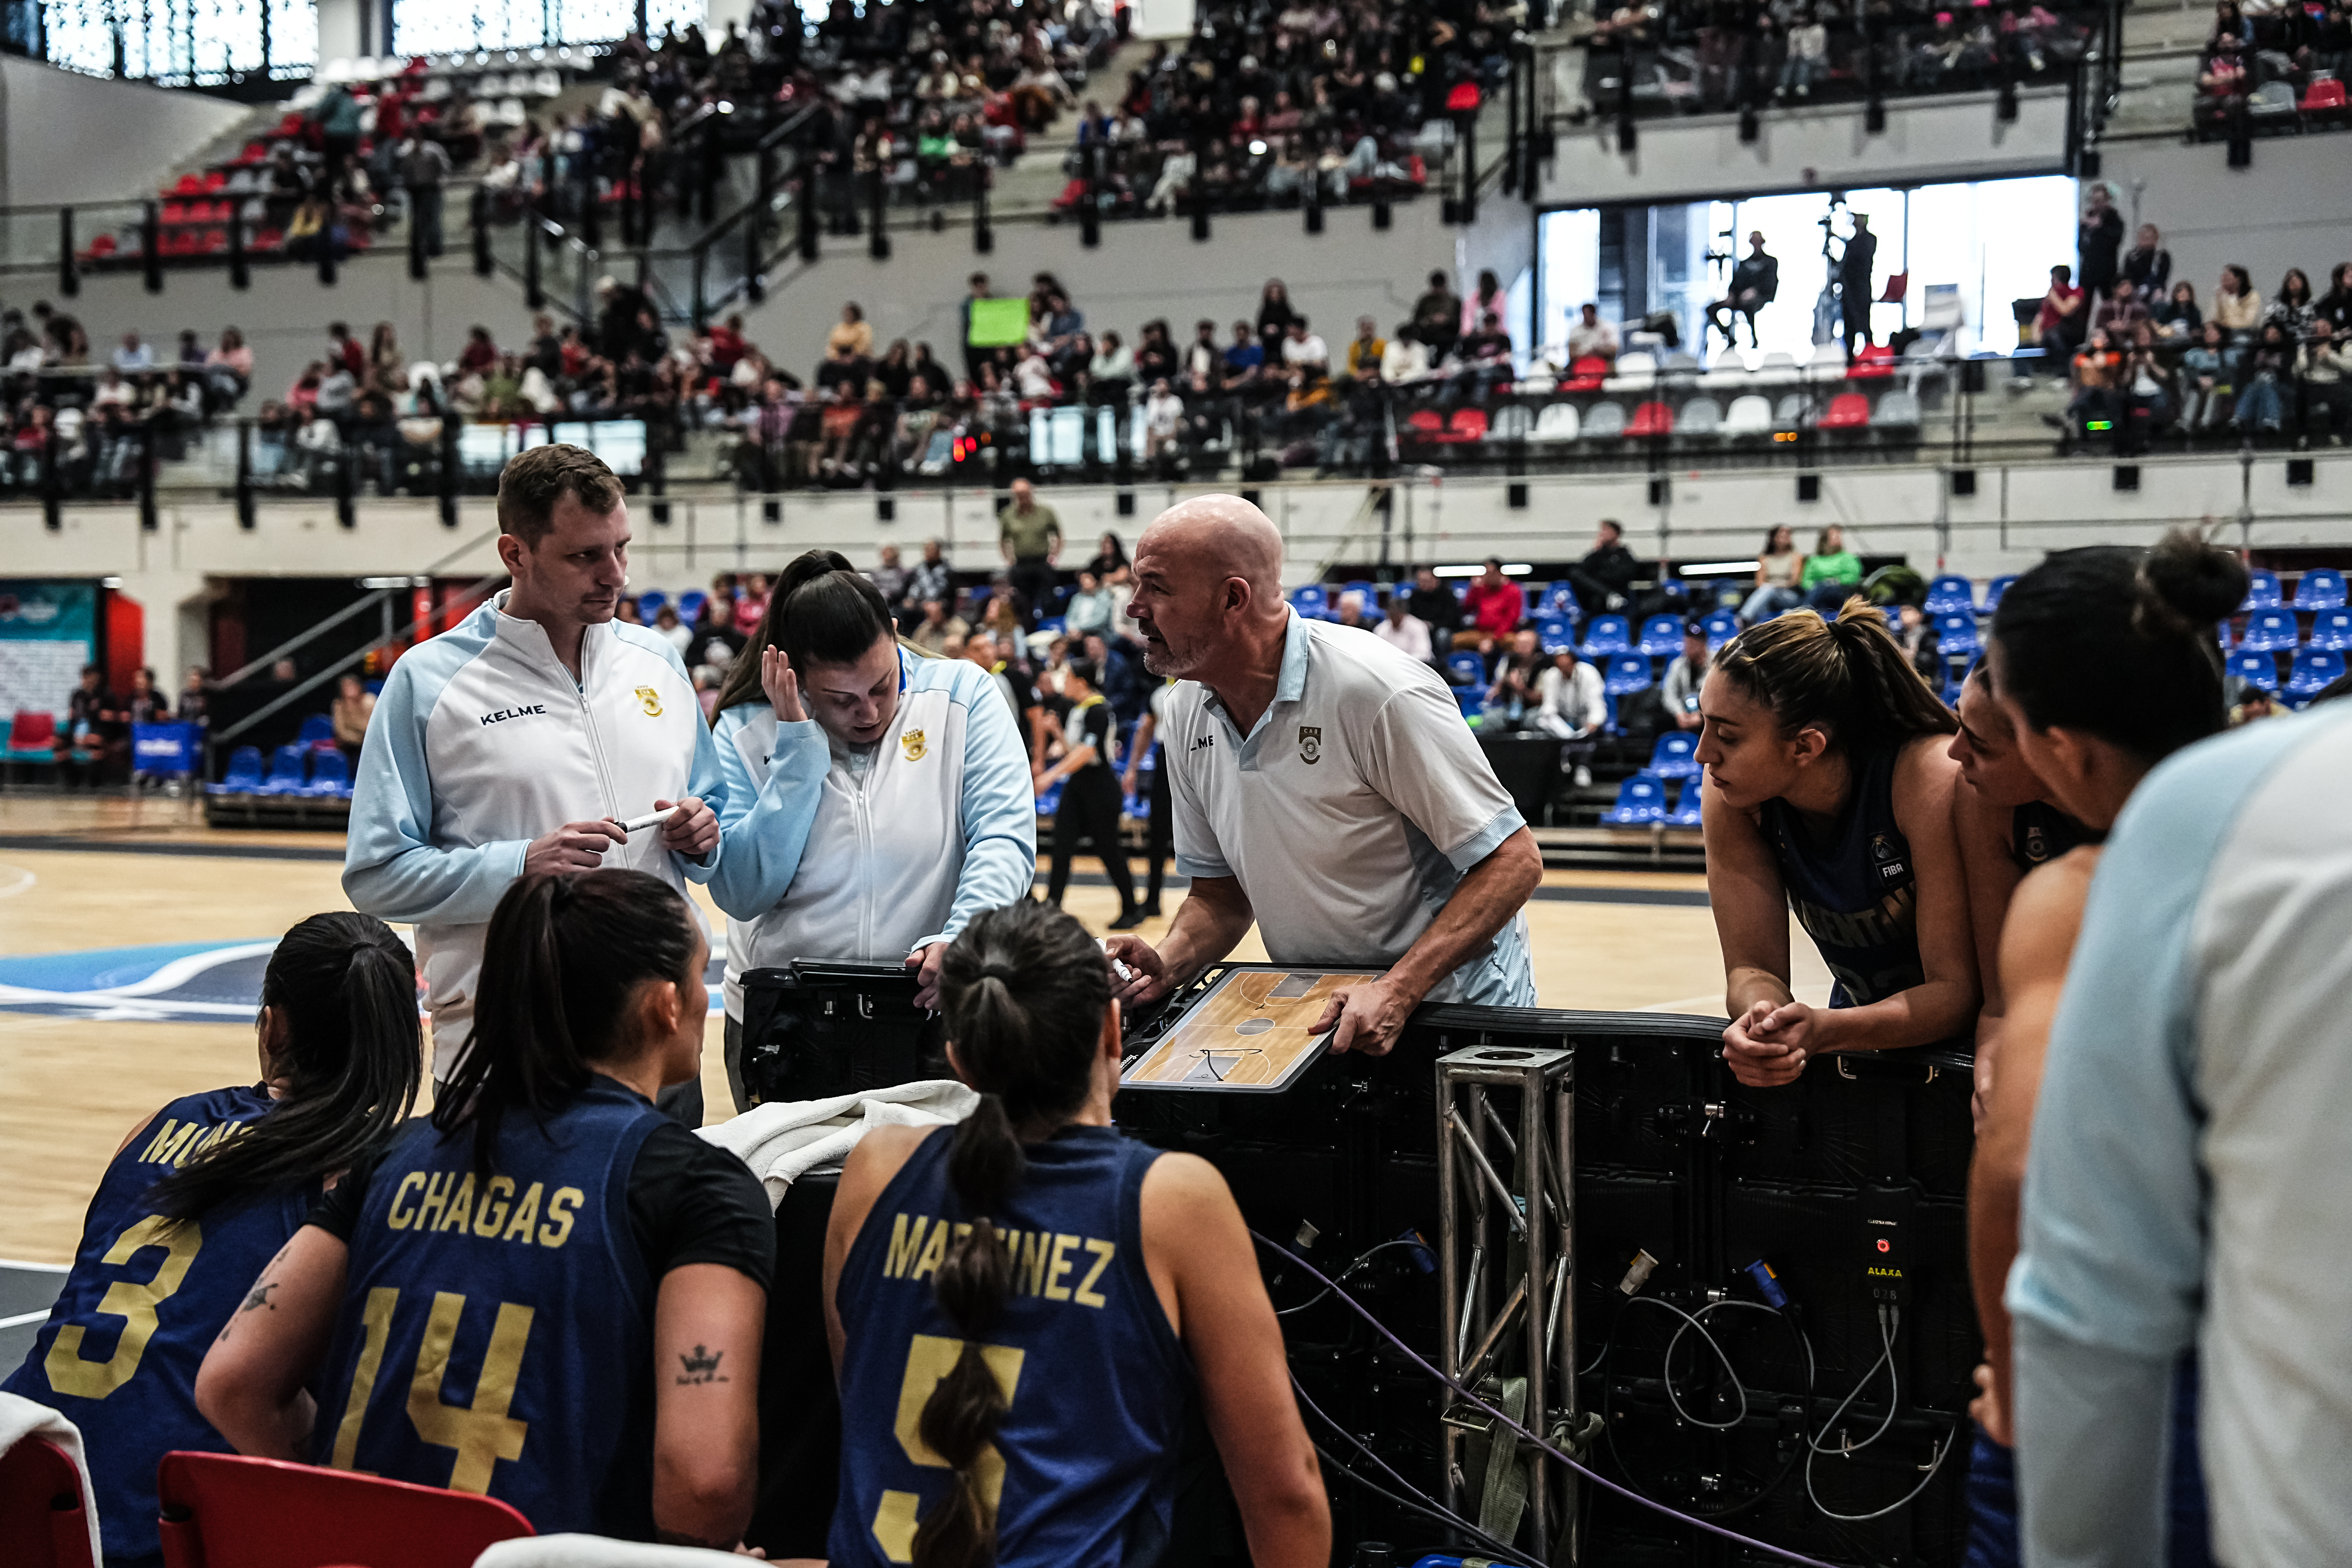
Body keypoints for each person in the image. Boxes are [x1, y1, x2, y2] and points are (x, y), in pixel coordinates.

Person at [195, 872, 772, 1546]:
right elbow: (704, 1485)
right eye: (703, 976)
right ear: (666, 1005)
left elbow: (234, 1384)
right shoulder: (698, 1185)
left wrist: (348, 1513)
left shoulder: (393, 1155)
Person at [822, 900, 1330, 1567]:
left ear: (959, 1059)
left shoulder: (874, 1170)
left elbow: (861, 1408)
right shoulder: (1173, 1202)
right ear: (1113, 1033)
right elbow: (1287, 1496)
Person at [1967, 536, 2251, 1568]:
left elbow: (2016, 1165)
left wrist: (2012, 1383)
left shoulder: (2080, 892)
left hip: (2155, 1378)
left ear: (2068, 751)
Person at [5, 913, 423, 1565]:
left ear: (274, 1024)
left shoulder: (159, 1123)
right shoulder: (368, 1175)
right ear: (402, 1036)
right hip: (156, 1523)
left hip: (28, 1478)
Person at [341, 444, 723, 1124]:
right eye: (585, 556)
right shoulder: (431, 683)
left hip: (653, 1039)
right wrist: (518, 866)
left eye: (622, 549)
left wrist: (704, 834)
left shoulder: (658, 662)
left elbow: (713, 806)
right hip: (507, 1042)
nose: (615, 576)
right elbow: (376, 874)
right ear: (515, 554)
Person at [1104, 496, 1544, 1055]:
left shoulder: (1377, 691)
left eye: (1157, 588)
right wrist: (1167, 962)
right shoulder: (1186, 708)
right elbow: (1220, 898)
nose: (1134, 608)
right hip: (1322, 1012)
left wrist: (1398, 989)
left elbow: (1513, 863)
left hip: (1452, 1008)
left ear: (1232, 599)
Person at [707, 553, 1034, 1112]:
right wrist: (796, 749)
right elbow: (742, 892)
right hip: (788, 1021)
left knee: (934, 1197)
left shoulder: (963, 695)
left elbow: (1003, 837)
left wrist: (965, 932)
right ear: (795, 676)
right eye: (841, 700)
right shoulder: (743, 728)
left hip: (927, 1009)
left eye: (883, 686)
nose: (869, 712)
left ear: (896, 635)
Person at [1697, 600, 1976, 1087]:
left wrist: (1825, 1031)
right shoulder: (1731, 793)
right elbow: (1750, 967)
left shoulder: (1926, 776)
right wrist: (1767, 1021)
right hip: (1857, 1034)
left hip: (1972, 1054)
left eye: (1726, 735)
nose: (1703, 753)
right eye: (1703, 723)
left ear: (1806, 746)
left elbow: (1955, 993)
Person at [1947, 665, 2093, 1119]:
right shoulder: (1981, 800)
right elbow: (2002, 1002)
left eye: (1981, 744)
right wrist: (1992, 1077)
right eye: (1958, 723)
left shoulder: (2164, 808)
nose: (1954, 751)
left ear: (2054, 750)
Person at [1035, 655, 1143, 928]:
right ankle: (1051, 909)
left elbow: (1088, 751)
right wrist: (1059, 733)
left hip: (1100, 786)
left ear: (1081, 682)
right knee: (1061, 845)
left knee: (1108, 849)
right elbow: (1076, 750)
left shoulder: (1098, 709)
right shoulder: (1079, 709)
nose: (1064, 683)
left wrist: (1050, 776)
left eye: (1068, 677)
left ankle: (1132, 908)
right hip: (1078, 785)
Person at [1121, 677, 1177, 920]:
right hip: (1166, 762)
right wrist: (1132, 767)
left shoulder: (1202, 686)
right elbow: (1146, 728)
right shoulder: (1159, 693)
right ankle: (1153, 899)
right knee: (1157, 835)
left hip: (1197, 757)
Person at [998, 478, 1063, 627]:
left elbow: (1058, 535)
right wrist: (1008, 558)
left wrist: (1055, 555)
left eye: (1025, 494)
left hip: (1042, 562)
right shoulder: (1008, 515)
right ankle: (1026, 628)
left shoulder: (1046, 512)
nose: (1023, 498)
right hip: (1021, 564)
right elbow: (1003, 539)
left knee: (1048, 600)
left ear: (1031, 493)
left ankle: (1047, 628)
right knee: (1022, 601)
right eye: (1019, 495)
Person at [1706, 231, 1779, 351]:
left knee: (1749, 308)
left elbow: (1770, 283)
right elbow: (1736, 282)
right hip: (1739, 298)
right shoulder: (1745, 264)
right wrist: (1731, 295)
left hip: (1758, 299)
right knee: (1711, 309)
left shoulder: (1771, 262)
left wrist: (1755, 292)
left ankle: (1754, 340)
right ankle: (1728, 337)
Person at [1566, 518, 1641, 618]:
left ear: (1616, 534)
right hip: (1597, 593)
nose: (1602, 534)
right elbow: (1583, 572)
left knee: (1598, 601)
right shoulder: (1598, 555)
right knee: (1574, 572)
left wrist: (1599, 577)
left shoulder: (1625, 555)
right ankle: (1608, 594)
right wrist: (1597, 552)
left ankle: (1609, 595)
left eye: (1606, 531)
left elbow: (1622, 577)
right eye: (1602, 531)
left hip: (1618, 594)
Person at [1743, 525, 1806, 622]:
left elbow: (1795, 581)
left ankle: (1745, 617)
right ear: (1774, 539)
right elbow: (1759, 582)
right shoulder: (1764, 558)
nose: (1786, 539)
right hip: (1767, 593)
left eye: (1788, 536)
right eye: (1782, 536)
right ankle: (1759, 626)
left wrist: (1775, 587)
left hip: (1789, 595)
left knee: (1768, 591)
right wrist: (1771, 588)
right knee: (1765, 596)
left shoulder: (1795, 556)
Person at [1660, 619, 1711, 730]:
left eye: (1693, 643)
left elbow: (1720, 698)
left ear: (1703, 645)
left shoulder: (1717, 664)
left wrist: (1702, 716)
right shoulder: (1678, 664)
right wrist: (1679, 713)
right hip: (1683, 714)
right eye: (1687, 642)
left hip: (1708, 716)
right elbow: (1669, 695)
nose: (1688, 647)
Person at [1840, 212, 1878, 361]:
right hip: (1849, 290)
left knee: (1864, 324)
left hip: (1861, 289)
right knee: (1849, 327)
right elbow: (1845, 266)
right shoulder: (1852, 243)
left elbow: (1862, 258)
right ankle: (1850, 360)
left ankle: (1870, 357)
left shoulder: (1869, 240)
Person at [1799, 524, 1862, 611]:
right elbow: (1806, 581)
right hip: (1818, 591)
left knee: (1828, 587)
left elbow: (1853, 576)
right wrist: (1817, 586)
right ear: (1825, 540)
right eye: (1835, 536)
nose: (1838, 538)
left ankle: (1805, 611)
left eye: (1839, 536)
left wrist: (1835, 581)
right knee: (1822, 587)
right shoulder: (1814, 560)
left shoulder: (1847, 557)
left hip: (1841, 591)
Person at [329, 672, 374, 770]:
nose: (348, 690)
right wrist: (356, 740)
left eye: (351, 686)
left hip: (369, 743)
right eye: (345, 687)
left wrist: (353, 710)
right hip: (349, 745)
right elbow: (341, 731)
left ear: (359, 686)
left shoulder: (369, 701)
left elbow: (369, 728)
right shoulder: (339, 705)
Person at [1374, 590, 1433, 662]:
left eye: (1396, 615)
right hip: (1390, 665)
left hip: (1416, 665)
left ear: (1404, 614)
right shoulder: (1381, 629)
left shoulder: (1418, 627)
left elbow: (1424, 654)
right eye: (1391, 615)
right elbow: (1377, 653)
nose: (1394, 618)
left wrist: (1403, 662)